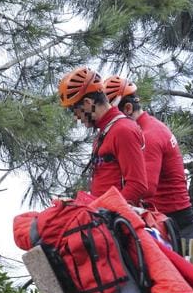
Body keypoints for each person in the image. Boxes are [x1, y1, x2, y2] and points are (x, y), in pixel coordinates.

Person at [102, 75, 193, 240]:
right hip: (171, 220)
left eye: (113, 117)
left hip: (176, 226)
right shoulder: (149, 127)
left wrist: (105, 206)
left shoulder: (148, 136)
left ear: (127, 109)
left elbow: (144, 188)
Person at [57, 67, 147, 205]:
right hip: (101, 213)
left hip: (110, 218)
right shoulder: (105, 131)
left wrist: (101, 212)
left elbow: (137, 186)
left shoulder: (123, 130)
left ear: (87, 103)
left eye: (74, 111)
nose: (76, 118)